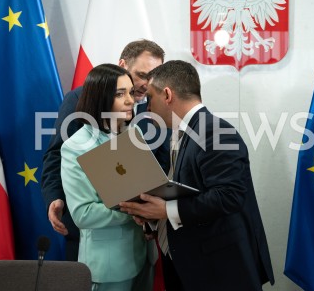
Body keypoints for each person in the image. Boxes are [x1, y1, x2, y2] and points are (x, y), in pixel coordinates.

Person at [119, 60, 275, 291]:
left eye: (150, 98)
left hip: (219, 271)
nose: (147, 107)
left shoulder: (216, 131)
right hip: (188, 264)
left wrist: (166, 210)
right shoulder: (182, 133)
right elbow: (184, 193)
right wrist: (153, 217)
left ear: (168, 95)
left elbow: (229, 196)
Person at [41, 39, 169, 261]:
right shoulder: (79, 100)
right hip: (93, 237)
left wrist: (154, 216)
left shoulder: (156, 108)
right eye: (142, 74)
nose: (147, 85)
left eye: (153, 77)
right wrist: (55, 197)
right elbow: (57, 154)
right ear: (122, 64)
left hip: (140, 237)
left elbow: (162, 163)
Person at [61, 63, 147, 290]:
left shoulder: (133, 133)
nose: (130, 100)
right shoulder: (76, 146)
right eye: (120, 94)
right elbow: (83, 214)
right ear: (100, 98)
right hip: (109, 266)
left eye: (130, 92)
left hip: (144, 256)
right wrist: (136, 213)